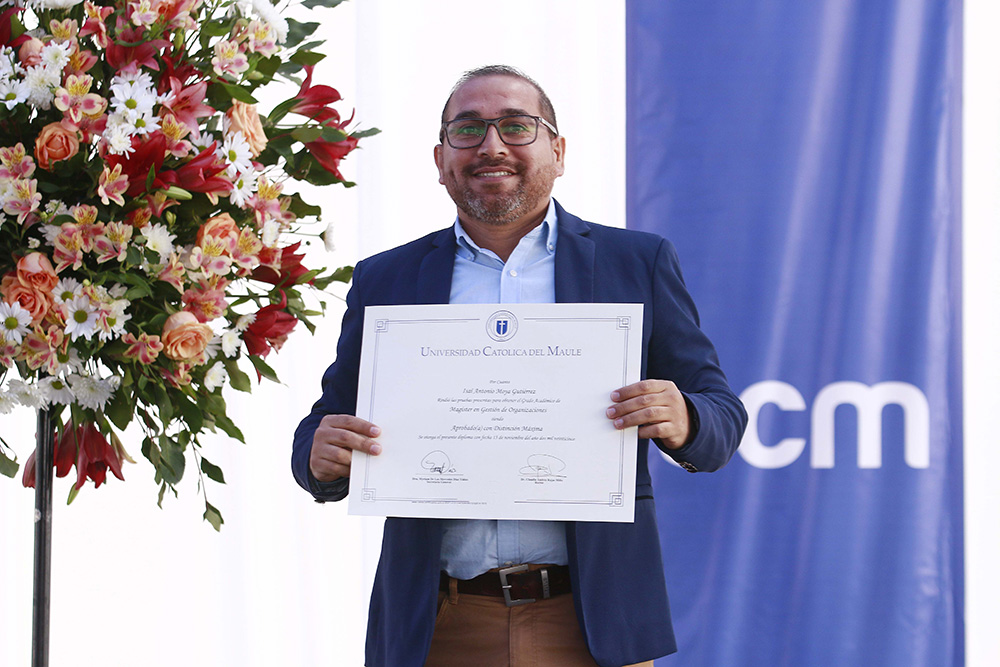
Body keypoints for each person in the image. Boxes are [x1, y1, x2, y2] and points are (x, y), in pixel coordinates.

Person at [292, 65, 747, 667]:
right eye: (468, 129)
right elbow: (327, 421)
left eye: (516, 126)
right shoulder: (387, 278)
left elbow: (722, 416)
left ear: (558, 152)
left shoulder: (636, 263)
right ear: (440, 159)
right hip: (438, 624)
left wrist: (684, 416)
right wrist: (319, 457)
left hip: (593, 623)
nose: (491, 146)